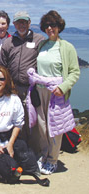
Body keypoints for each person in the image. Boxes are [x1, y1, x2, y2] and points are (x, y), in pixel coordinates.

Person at [34, 10, 80, 175]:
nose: (49, 28)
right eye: (46, 25)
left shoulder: (66, 47)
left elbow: (75, 72)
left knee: (54, 126)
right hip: (40, 91)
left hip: (56, 93)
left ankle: (52, 160)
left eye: (53, 24)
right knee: (41, 126)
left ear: (59, 26)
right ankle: (44, 155)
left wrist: (63, 87)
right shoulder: (42, 45)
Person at [0, 11, 45, 148]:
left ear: (29, 23)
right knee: (18, 120)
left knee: (34, 119)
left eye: (24, 22)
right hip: (14, 88)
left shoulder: (39, 40)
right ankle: (21, 148)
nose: (21, 25)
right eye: (18, 22)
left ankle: (36, 150)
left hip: (32, 88)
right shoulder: (8, 42)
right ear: (14, 24)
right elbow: (1, 65)